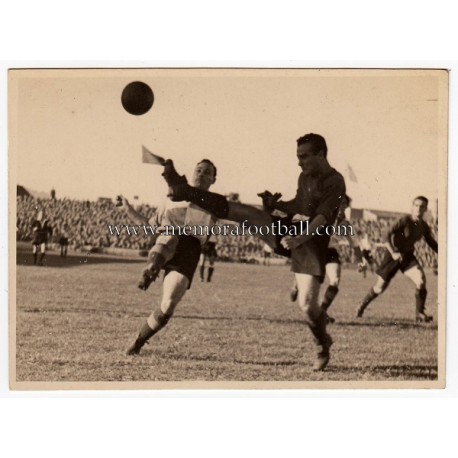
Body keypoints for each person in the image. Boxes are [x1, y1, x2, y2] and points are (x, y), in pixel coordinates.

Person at [162, 133, 346, 371]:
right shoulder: (304, 176)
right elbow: (298, 206)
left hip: (311, 242)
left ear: (320, 154)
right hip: (290, 230)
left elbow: (323, 216)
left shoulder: (335, 181)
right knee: (245, 214)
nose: (299, 162)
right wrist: (275, 206)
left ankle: (322, 342)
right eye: (298, 156)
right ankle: (183, 190)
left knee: (307, 305)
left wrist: (300, 237)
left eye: (304, 156)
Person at [122, 159, 219, 355]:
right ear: (192, 173)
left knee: (168, 305)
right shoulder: (172, 198)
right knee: (170, 235)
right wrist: (127, 208)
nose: (201, 173)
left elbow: (244, 221)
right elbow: (149, 226)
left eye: (207, 172)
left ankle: (138, 342)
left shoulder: (216, 205)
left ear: (213, 179)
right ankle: (152, 268)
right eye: (198, 169)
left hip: (190, 251)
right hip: (167, 239)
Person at [356, 196, 438, 322]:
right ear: (412, 207)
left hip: (407, 257)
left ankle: (420, 313)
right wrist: (393, 252)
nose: (418, 209)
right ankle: (361, 306)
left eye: (422, 206)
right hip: (392, 256)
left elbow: (431, 242)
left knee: (421, 280)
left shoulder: (424, 226)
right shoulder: (404, 220)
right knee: (379, 288)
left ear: (426, 209)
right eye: (416, 205)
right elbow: (385, 234)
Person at [290, 195, 357, 324]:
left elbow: (353, 242)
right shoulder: (323, 215)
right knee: (309, 283)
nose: (342, 206)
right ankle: (297, 282)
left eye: (344, 204)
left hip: (331, 252)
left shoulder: (344, 222)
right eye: (340, 203)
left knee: (335, 281)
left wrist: (360, 260)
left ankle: (322, 312)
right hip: (316, 251)